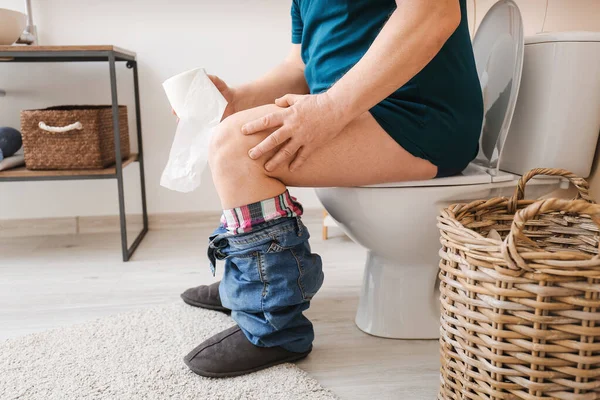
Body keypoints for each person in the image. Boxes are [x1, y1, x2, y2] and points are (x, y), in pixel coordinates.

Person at [180, 0, 483, 378]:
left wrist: (329, 110)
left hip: (419, 115)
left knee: (238, 148)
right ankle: (250, 286)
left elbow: (433, 12)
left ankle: (274, 327)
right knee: (237, 130)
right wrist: (236, 99)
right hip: (362, 112)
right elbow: (300, 67)